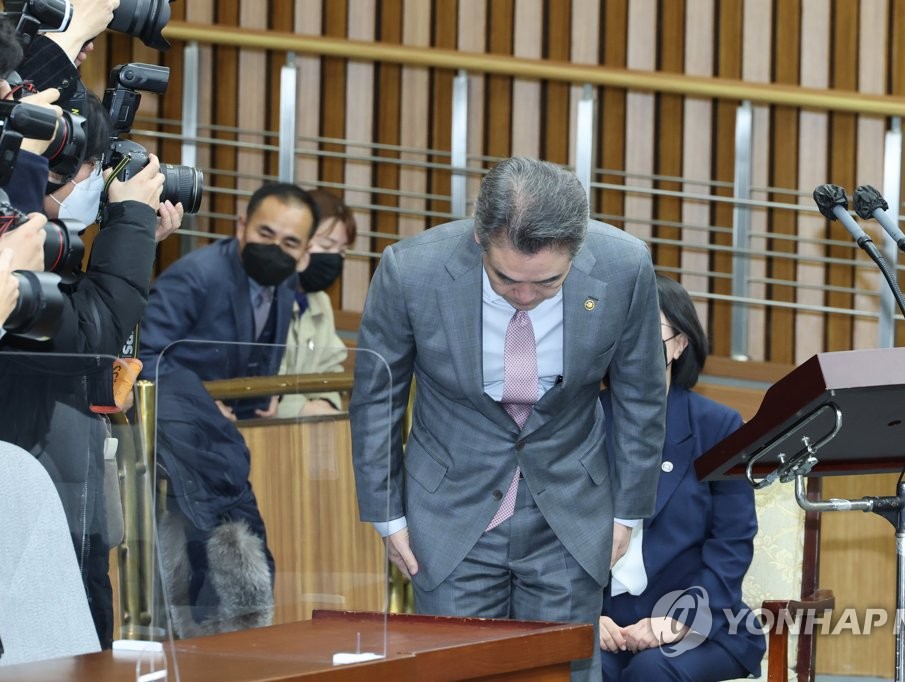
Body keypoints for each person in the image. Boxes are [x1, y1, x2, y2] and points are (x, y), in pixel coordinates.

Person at [350, 156, 666, 680]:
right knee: (455, 671)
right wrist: (388, 515)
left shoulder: (625, 266)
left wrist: (628, 514)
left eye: (547, 283)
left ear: (577, 249)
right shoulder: (411, 271)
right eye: (505, 278)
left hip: (569, 513)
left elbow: (642, 397)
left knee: (559, 672)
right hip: (449, 514)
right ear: (479, 236)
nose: (524, 295)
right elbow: (375, 399)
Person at [137, 182, 317, 636]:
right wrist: (201, 402)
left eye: (290, 243)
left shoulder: (284, 282)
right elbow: (146, 355)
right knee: (195, 591)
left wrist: (261, 395)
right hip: (179, 460)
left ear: (304, 252)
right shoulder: (194, 277)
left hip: (235, 448)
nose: (276, 249)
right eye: (266, 233)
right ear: (242, 225)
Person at [598, 275, 765, 682]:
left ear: (679, 343)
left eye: (646, 332)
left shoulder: (717, 427)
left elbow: (732, 542)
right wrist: (583, 614)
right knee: (579, 669)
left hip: (699, 623)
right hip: (599, 621)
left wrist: (679, 620)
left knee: (653, 672)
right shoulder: (579, 422)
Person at [273, 188, 354, 418]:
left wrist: (324, 402)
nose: (334, 258)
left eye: (342, 251)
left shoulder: (320, 301)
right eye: (327, 247)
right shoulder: (264, 296)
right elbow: (260, 378)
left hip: (310, 426)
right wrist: (303, 409)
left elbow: (331, 367)